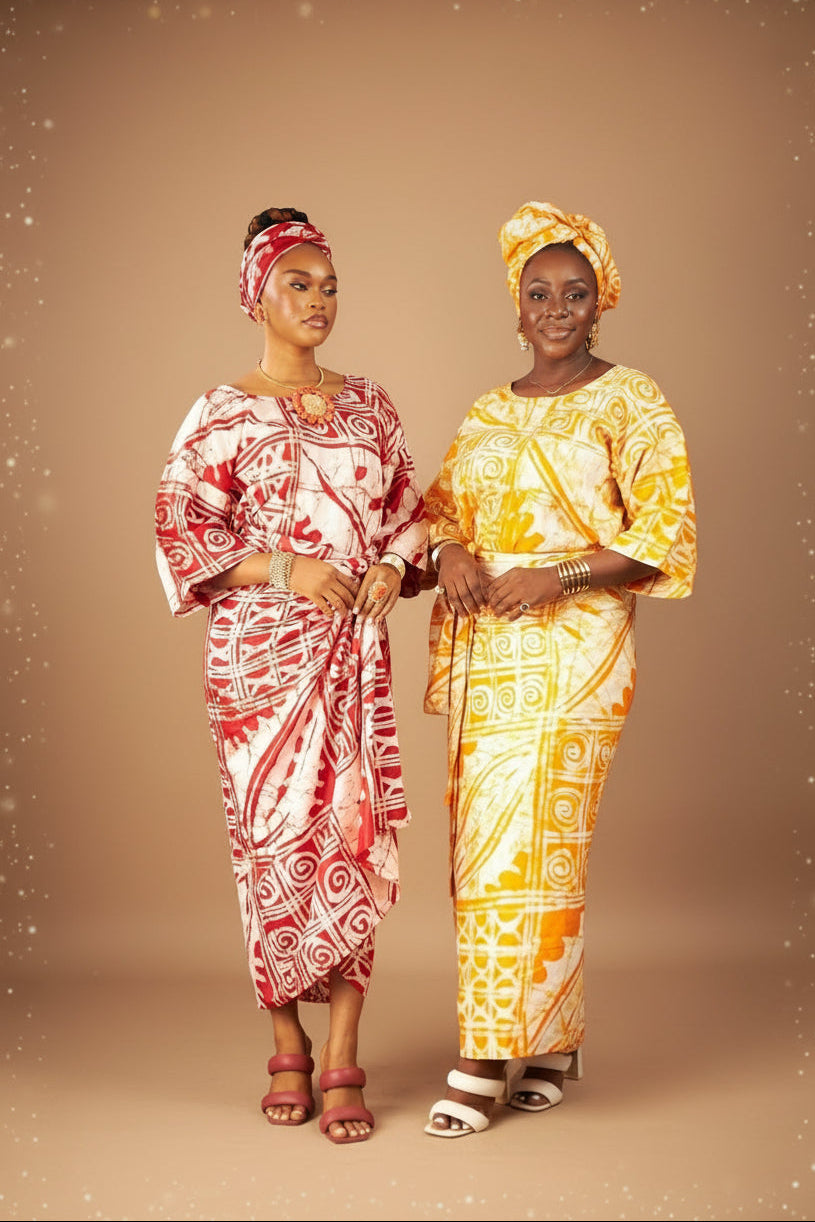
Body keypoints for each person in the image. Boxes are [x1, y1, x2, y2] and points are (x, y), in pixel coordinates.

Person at [423, 201, 696, 1137]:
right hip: (485, 654)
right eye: (537, 292)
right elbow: (438, 514)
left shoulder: (633, 401)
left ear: (598, 303)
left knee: (525, 843)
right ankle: (549, 1039)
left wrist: (560, 573)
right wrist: (452, 554)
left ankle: (484, 1056)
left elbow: (663, 537)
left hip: (578, 649)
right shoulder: (486, 411)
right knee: (497, 850)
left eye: (573, 293)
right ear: (515, 304)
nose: (554, 307)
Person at [155, 207, 427, 1145]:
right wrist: (287, 569)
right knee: (269, 850)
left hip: (350, 661)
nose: (318, 300)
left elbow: (407, 513)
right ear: (256, 297)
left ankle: (345, 1049)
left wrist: (392, 565)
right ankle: (286, 1042)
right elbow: (183, 531)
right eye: (297, 284)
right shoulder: (219, 412)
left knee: (349, 839)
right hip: (258, 668)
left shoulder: (372, 406)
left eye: (329, 284)